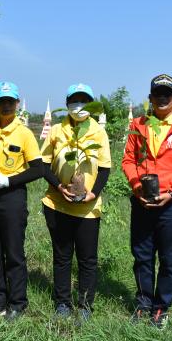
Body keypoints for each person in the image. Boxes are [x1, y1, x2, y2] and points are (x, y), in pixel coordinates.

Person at [122, 74, 172, 329]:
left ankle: (161, 308)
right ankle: (144, 303)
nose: (163, 98)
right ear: (150, 98)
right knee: (142, 256)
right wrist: (137, 187)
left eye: (168, 93)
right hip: (142, 202)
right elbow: (128, 161)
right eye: (158, 93)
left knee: (169, 259)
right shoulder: (138, 125)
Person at [41, 83, 111, 323]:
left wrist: (93, 193)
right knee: (61, 256)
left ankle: (85, 305)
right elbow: (43, 163)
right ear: (68, 102)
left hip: (87, 207)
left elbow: (104, 168)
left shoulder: (98, 132)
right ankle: (62, 302)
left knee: (87, 258)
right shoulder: (57, 130)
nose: (79, 106)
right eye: (75, 100)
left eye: (84, 100)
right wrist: (59, 187)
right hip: (57, 203)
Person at [0, 81, 43, 320]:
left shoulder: (24, 133)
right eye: (1, 102)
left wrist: (9, 181)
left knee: (13, 252)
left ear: (16, 103)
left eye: (10, 102)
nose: (6, 106)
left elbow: (37, 169)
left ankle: (17, 302)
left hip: (12, 198)